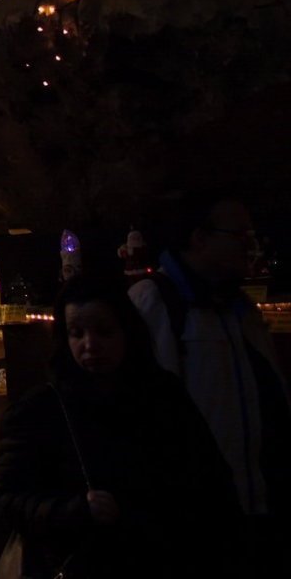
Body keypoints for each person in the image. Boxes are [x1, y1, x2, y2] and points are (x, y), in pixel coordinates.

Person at [0, 274, 239, 578]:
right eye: (77, 333)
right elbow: (9, 499)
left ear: (127, 331)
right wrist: (75, 510)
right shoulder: (40, 410)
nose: (90, 345)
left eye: (104, 331)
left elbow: (211, 483)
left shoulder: (163, 396)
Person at [128, 191, 291, 568]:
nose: (250, 247)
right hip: (197, 517)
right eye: (239, 235)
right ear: (200, 238)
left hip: (257, 505)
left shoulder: (240, 309)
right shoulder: (155, 302)